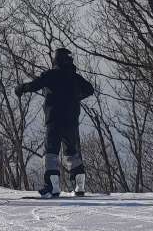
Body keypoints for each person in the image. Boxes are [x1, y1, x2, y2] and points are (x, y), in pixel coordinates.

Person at [16, 48, 95, 197]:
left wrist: (22, 88)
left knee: (51, 153)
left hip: (54, 119)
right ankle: (79, 186)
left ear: (56, 61)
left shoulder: (51, 75)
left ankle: (53, 187)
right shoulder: (75, 78)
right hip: (72, 121)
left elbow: (35, 85)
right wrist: (76, 97)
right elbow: (90, 89)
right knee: (71, 152)